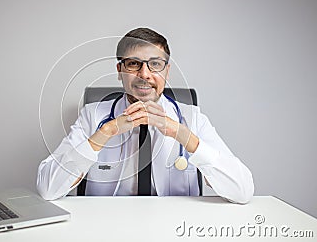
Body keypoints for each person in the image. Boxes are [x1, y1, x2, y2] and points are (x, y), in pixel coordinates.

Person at [37, 27, 254, 204]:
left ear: (166, 72)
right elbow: (47, 189)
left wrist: (182, 135)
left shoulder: (192, 118)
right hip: (107, 230)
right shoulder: (92, 116)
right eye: (133, 64)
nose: (145, 74)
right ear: (119, 70)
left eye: (155, 65)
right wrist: (107, 131)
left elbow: (242, 191)